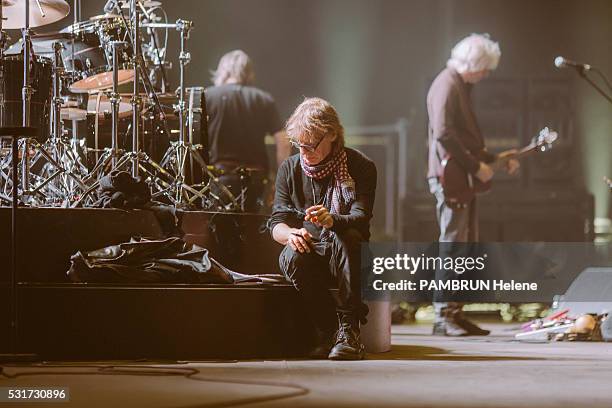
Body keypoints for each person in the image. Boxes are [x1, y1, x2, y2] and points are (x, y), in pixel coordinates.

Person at [269, 97, 377, 360]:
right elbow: (276, 222)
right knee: (291, 256)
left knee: (346, 238)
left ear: (331, 133)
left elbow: (361, 218)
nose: (304, 152)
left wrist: (332, 220)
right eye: (299, 145)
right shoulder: (290, 168)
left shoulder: (361, 166)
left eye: (310, 145)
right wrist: (290, 235)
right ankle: (331, 331)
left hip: (348, 250)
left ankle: (350, 332)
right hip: (311, 249)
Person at [426, 33, 519, 336]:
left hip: (459, 175)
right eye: (485, 68)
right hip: (450, 177)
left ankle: (454, 312)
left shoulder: (457, 85)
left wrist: (495, 158)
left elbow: (463, 137)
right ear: (473, 63)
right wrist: (476, 167)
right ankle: (443, 317)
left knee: (462, 247)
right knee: (452, 246)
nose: (486, 75)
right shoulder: (446, 84)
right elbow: (442, 133)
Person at [206, 50, 291, 212]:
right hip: (256, 179)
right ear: (248, 73)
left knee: (218, 229)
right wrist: (280, 182)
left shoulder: (208, 96)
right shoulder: (263, 99)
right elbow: (284, 142)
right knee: (252, 231)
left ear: (223, 71)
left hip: (217, 177)